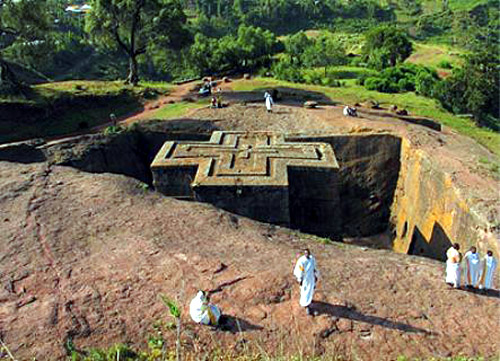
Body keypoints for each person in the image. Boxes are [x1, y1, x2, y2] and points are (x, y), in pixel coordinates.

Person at [293, 248, 319, 315]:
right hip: (305, 279)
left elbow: (314, 268)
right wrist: (300, 279)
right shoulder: (302, 261)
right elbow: (300, 270)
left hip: (311, 278)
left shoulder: (312, 259)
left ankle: (309, 301)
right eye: (305, 253)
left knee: (310, 290)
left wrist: (316, 276)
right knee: (304, 291)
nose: (307, 254)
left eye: (308, 253)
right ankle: (306, 305)